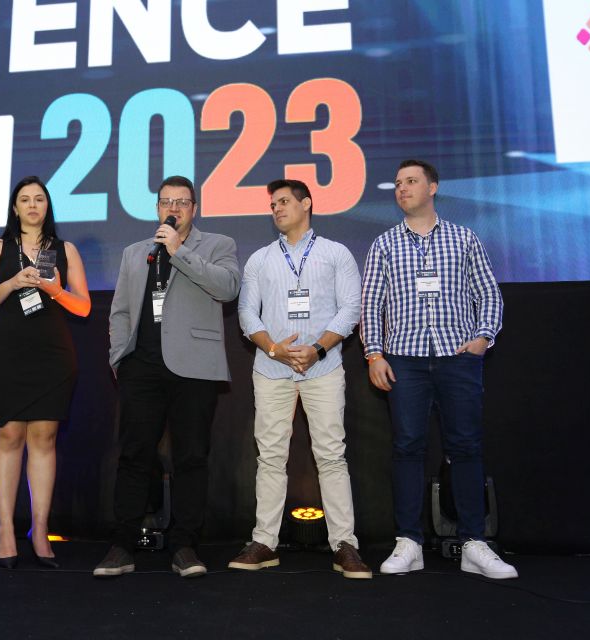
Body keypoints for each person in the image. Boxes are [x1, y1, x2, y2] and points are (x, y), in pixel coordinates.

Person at [361, 159, 517, 579]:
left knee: (465, 447)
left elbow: (489, 294)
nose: (402, 188)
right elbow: (371, 304)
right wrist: (374, 354)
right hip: (403, 359)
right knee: (407, 448)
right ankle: (408, 542)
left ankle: (473, 543)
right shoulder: (384, 245)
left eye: (411, 181)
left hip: (457, 356)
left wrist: (483, 337)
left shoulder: (464, 238)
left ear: (432, 187)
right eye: (398, 183)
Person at [93, 176, 240, 579]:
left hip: (194, 368)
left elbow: (228, 288)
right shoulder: (134, 252)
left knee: (191, 457)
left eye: (182, 202)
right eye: (166, 202)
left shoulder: (218, 245)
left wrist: (179, 251)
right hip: (141, 366)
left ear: (194, 208)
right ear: (157, 208)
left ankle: (185, 546)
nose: (173, 209)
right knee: (134, 455)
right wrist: (119, 358)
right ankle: (122, 546)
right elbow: (120, 310)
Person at [228, 179, 371, 578]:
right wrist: (274, 348)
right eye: (272, 204)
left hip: (322, 368)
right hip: (271, 369)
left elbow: (351, 308)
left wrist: (318, 349)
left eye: (284, 201)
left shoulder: (335, 253)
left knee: (331, 455)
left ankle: (344, 545)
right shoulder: (260, 259)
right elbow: (246, 313)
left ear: (307, 203)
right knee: (270, 457)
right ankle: (264, 542)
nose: (276, 209)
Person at [0, 176, 91, 569]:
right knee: (8, 435)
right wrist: (12, 282)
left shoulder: (65, 250)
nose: (33, 205)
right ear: (15, 207)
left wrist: (55, 290)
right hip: (8, 353)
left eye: (39, 199)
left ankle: (39, 529)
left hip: (52, 355)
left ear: (47, 206)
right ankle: (6, 529)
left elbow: (84, 307)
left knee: (44, 437)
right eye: (25, 199)